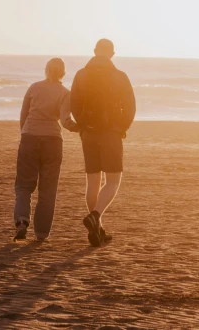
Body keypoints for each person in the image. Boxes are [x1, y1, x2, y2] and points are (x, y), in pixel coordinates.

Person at [70, 39, 136, 247]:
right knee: (113, 181)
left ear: (95, 51)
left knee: (93, 183)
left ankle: (97, 230)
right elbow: (130, 107)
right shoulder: (119, 76)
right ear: (112, 54)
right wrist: (121, 127)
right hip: (110, 133)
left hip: (88, 134)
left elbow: (74, 104)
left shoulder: (81, 75)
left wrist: (83, 125)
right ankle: (95, 216)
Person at [13, 58, 78, 242]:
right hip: (52, 141)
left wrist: (25, 133)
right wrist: (80, 127)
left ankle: (21, 221)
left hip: (29, 138)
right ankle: (41, 234)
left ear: (46, 70)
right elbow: (66, 121)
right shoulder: (65, 93)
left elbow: (23, 115)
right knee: (48, 188)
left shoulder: (34, 88)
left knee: (24, 185)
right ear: (63, 72)